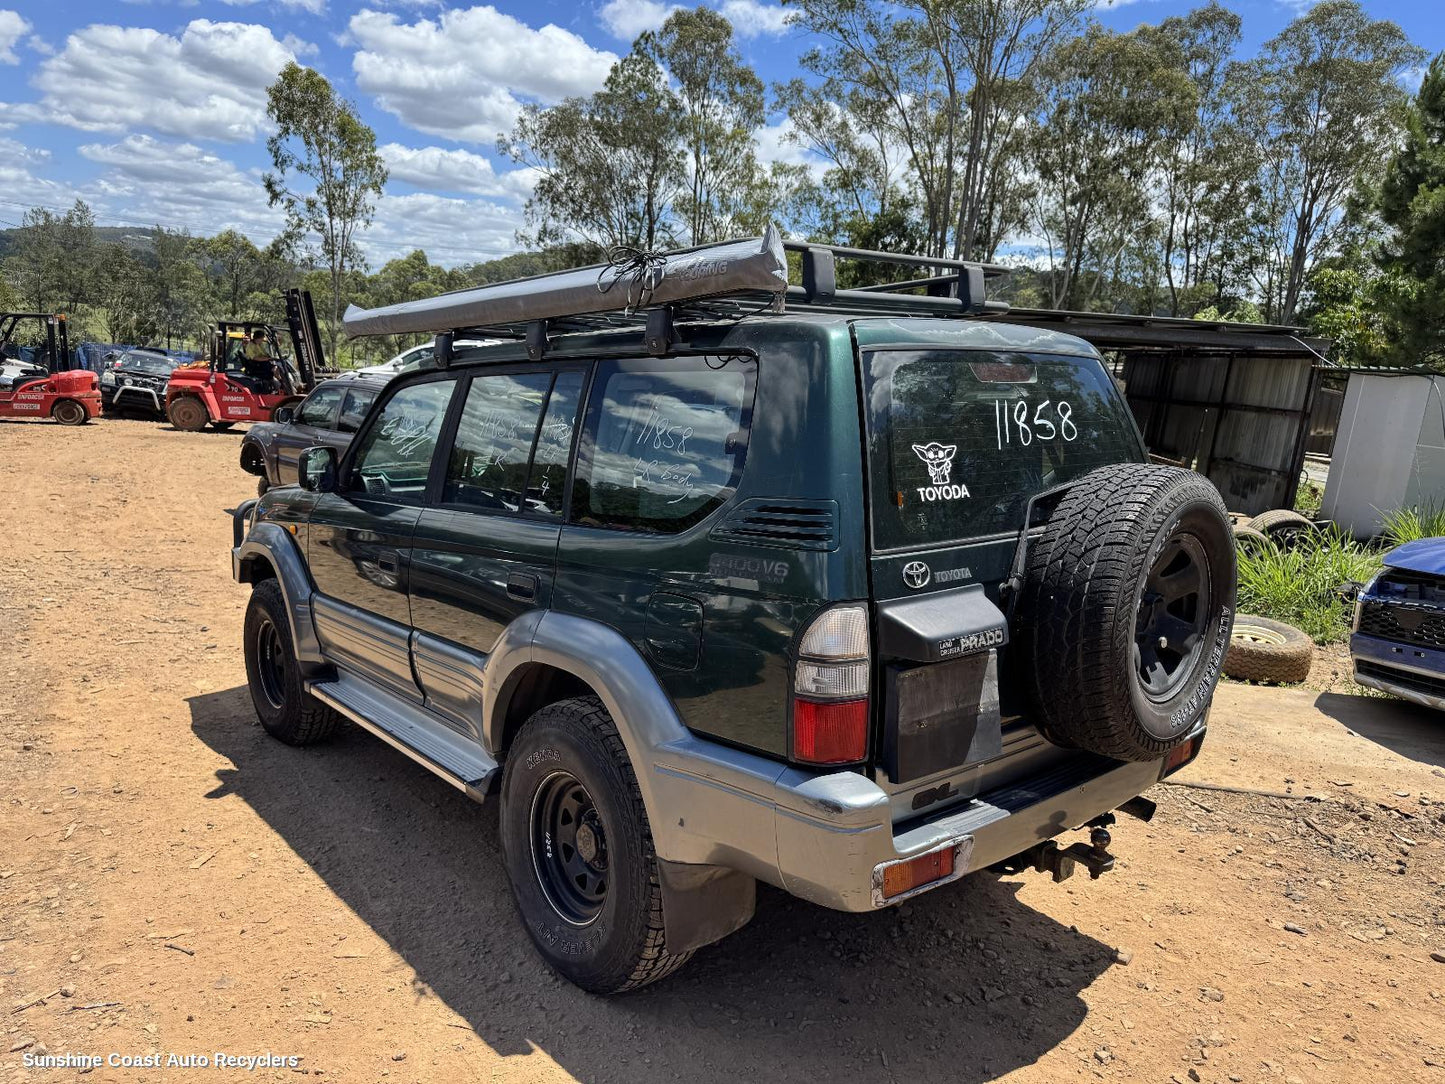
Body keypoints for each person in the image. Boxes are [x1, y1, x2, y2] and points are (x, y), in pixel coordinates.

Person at [240, 329, 277, 394]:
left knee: (277, 367)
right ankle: (277, 385)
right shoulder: (250, 346)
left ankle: (278, 384)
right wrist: (266, 359)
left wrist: (270, 357)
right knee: (273, 369)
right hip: (256, 365)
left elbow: (265, 354)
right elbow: (255, 358)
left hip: (262, 364)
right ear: (258, 338)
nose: (263, 340)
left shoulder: (259, 345)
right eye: (262, 338)